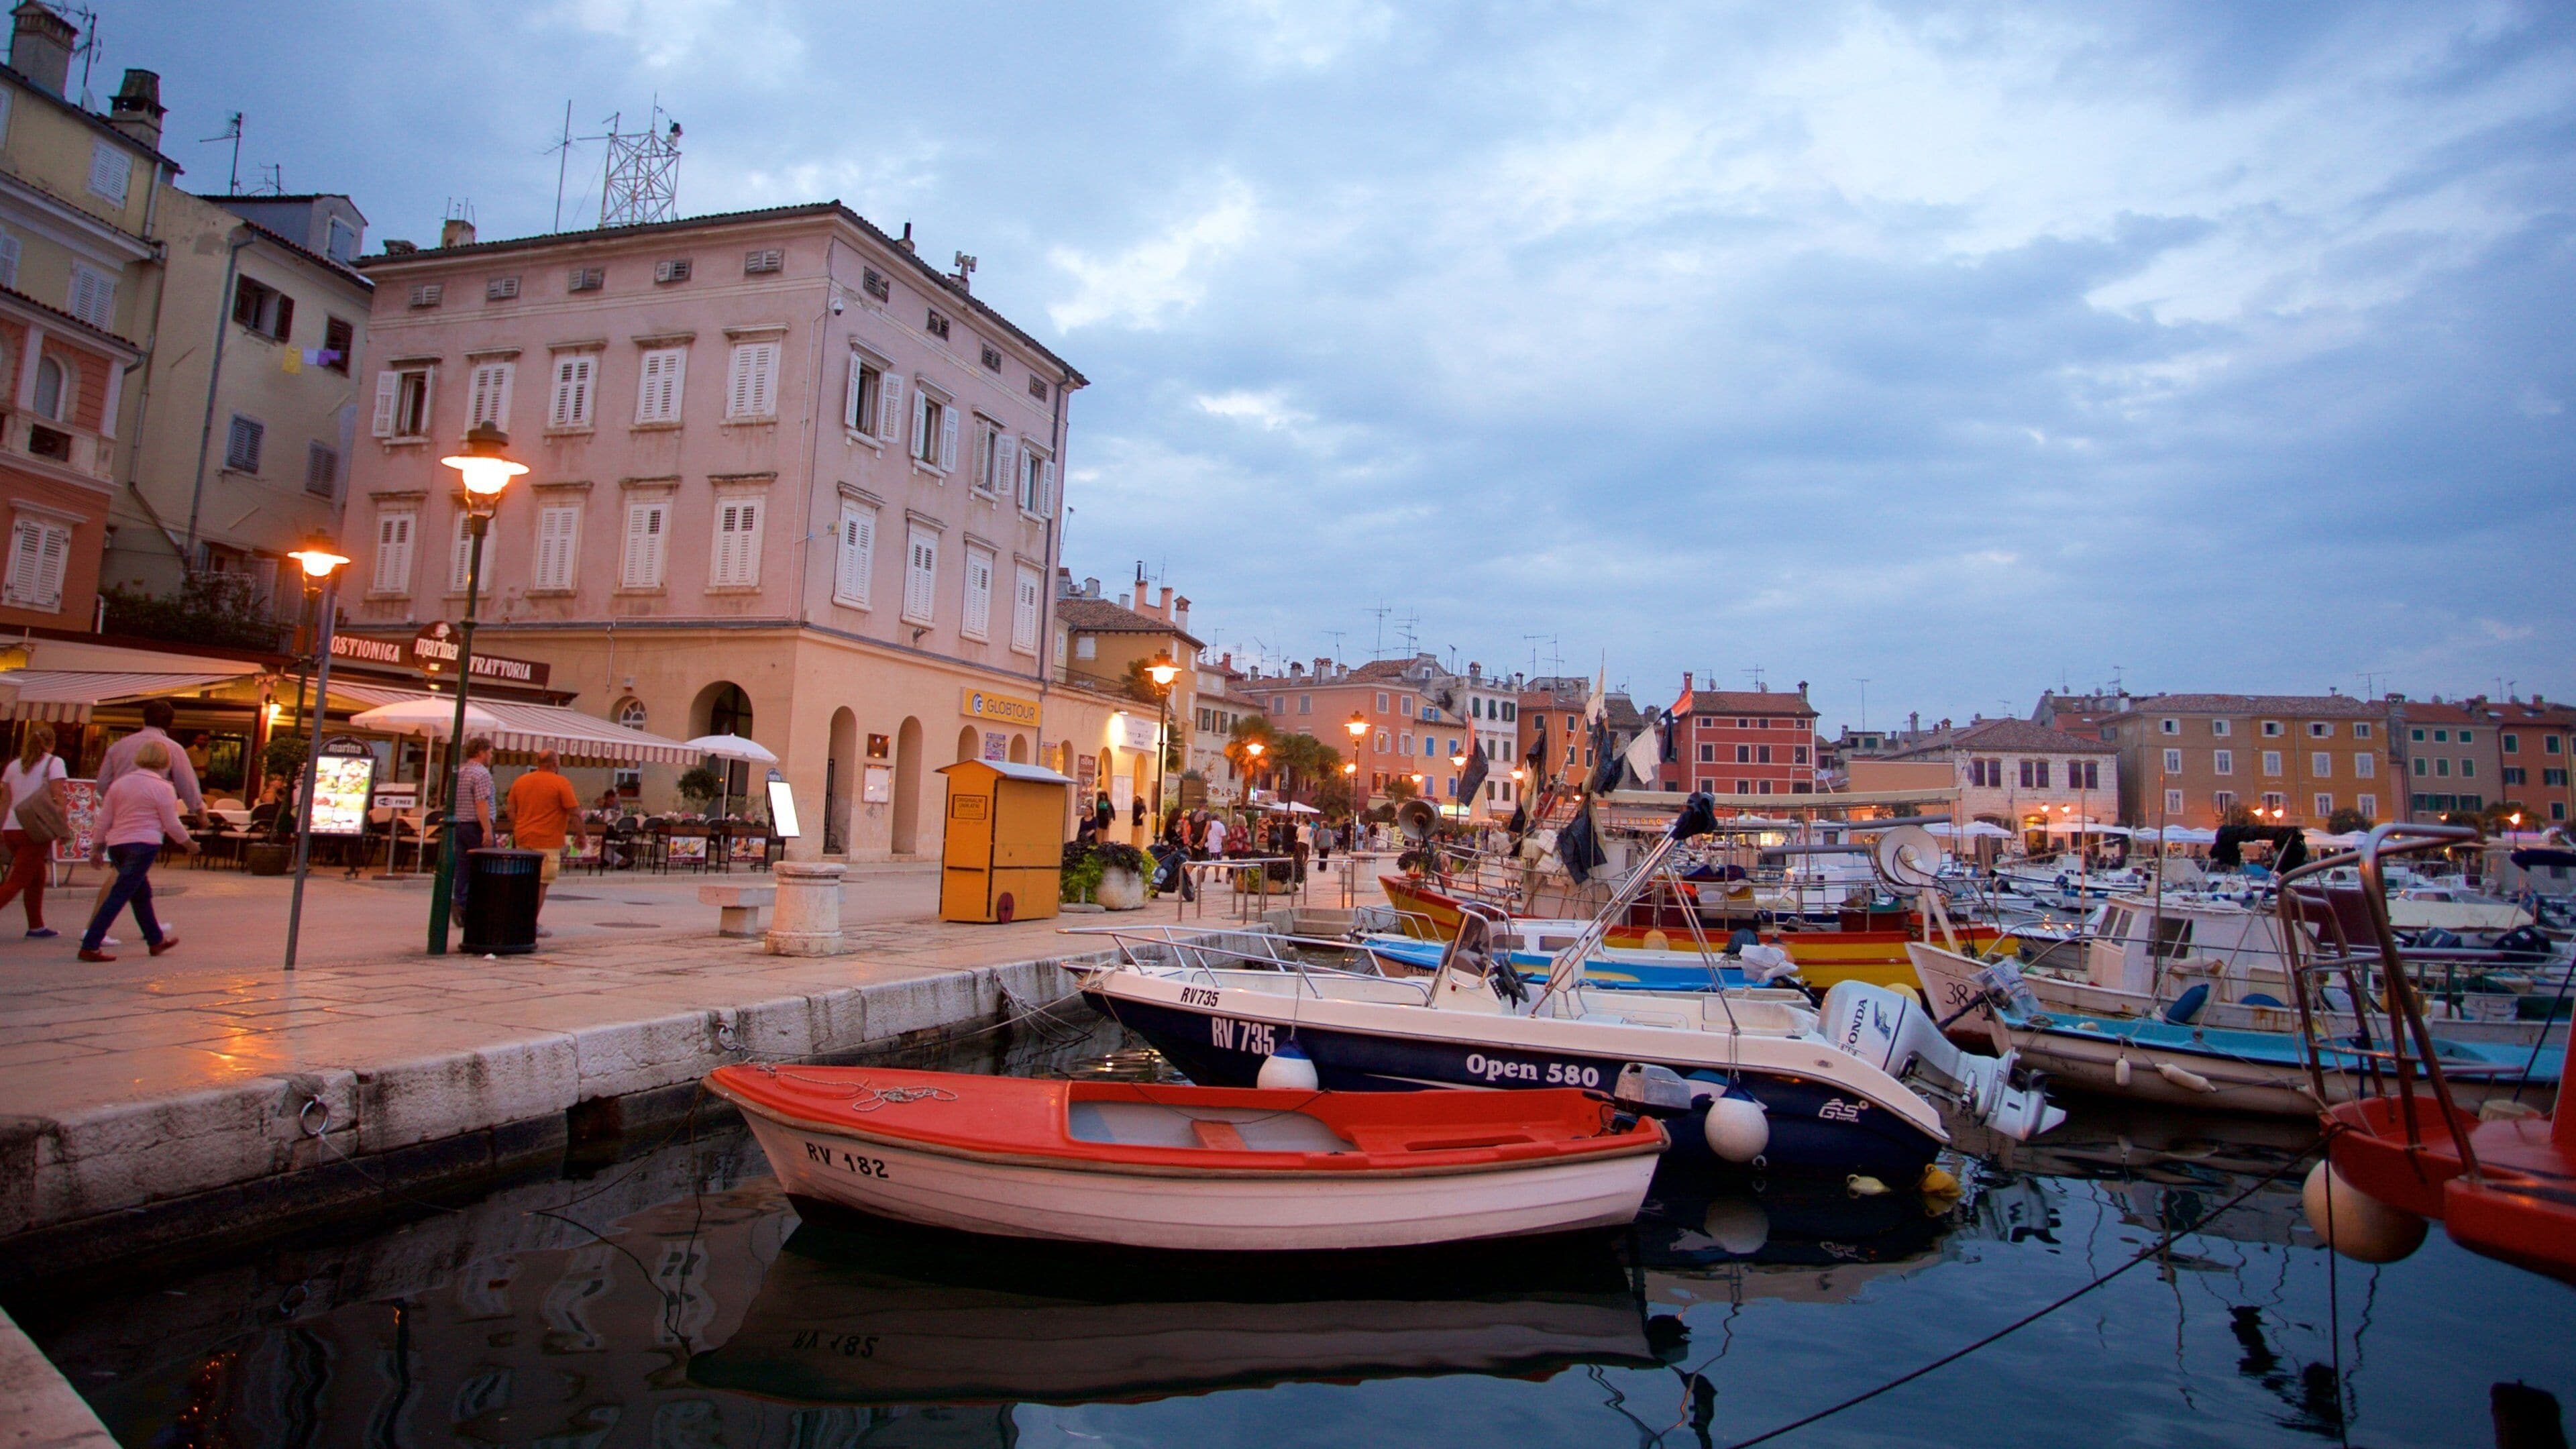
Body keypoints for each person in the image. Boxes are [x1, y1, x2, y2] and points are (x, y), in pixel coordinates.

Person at [78, 739, 197, 961]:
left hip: (117, 844)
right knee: (121, 893)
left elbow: (105, 818)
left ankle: (155, 939)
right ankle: (90, 944)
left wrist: (97, 846)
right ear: (166, 762)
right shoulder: (164, 788)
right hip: (144, 844)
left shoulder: (120, 784)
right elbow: (171, 824)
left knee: (140, 893)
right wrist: (189, 844)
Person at [504, 749, 586, 934]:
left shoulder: (521, 781)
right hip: (548, 842)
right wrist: (581, 836)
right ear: (555, 764)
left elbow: (510, 809)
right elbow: (575, 813)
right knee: (540, 884)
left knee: (523, 882)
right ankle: (530, 924)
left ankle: (516, 921)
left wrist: (519, 827)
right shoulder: (560, 783)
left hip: (523, 839)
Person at [0, 724, 68, 937]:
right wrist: (62, 826)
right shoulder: (54, 763)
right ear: (52, 743)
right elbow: (58, 795)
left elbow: (5, 801)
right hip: (35, 828)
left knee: (37, 875)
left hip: (11, 827)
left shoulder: (13, 766)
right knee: (18, 880)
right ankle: (35, 925)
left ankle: (36, 925)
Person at [449, 737, 496, 924]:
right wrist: (487, 830)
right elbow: (481, 803)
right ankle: (480, 907)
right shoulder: (482, 774)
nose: (491, 756)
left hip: (460, 824)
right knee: (487, 866)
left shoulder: (459, 772)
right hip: (476, 826)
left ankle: (460, 902)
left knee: (463, 867)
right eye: (490, 752)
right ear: (481, 752)